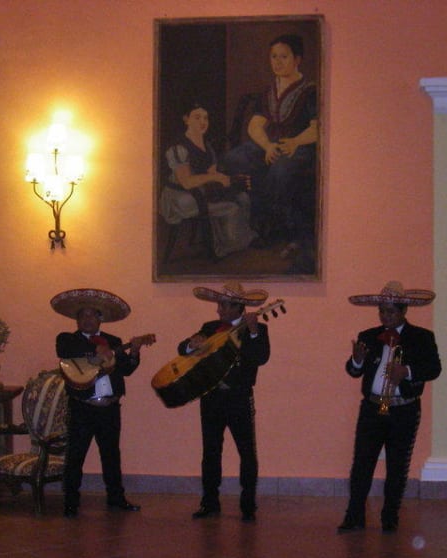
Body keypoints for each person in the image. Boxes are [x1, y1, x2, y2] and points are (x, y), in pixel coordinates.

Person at [338, 281, 441, 534]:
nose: (386, 316)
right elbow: (353, 372)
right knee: (361, 463)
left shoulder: (422, 337)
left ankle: (390, 516)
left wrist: (407, 371)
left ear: (404, 311)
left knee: (397, 464)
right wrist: (357, 360)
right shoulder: (368, 336)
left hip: (403, 408)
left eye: (391, 311)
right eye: (382, 311)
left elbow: (434, 369)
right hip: (372, 407)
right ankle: (354, 515)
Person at [224, 33, 318, 269]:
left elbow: (318, 129)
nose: (277, 62)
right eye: (274, 57)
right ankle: (254, 224)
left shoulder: (310, 91)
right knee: (234, 159)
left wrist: (295, 142)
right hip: (271, 145)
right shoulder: (268, 92)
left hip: (299, 147)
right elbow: (255, 125)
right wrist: (266, 146)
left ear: (297, 59)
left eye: (283, 57)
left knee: (279, 170)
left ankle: (281, 231)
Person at [179, 281, 271, 522]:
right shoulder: (209, 327)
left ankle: (248, 505)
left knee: (247, 452)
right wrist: (192, 344)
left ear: (237, 307)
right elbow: (182, 349)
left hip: (239, 397)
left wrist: (252, 331)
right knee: (210, 451)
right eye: (219, 304)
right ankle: (209, 502)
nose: (218, 310)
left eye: (223, 305)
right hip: (211, 397)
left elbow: (261, 357)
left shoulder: (255, 329)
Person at [53, 288, 149, 517]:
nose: (88, 319)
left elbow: (126, 370)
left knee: (111, 456)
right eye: (83, 316)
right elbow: (65, 351)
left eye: (92, 315)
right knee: (76, 456)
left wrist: (134, 352)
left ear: (100, 319)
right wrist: (96, 348)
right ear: (77, 320)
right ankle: (70, 502)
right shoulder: (67, 339)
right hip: (82, 408)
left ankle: (116, 498)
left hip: (110, 408)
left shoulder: (114, 341)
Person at [159, 102, 257, 259]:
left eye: (205, 118)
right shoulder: (178, 148)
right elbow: (187, 182)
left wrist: (231, 181)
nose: (202, 122)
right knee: (231, 208)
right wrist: (215, 178)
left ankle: (243, 238)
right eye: (197, 117)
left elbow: (213, 174)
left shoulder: (207, 146)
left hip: (201, 190)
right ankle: (225, 246)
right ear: (186, 119)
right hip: (180, 197)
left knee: (243, 197)